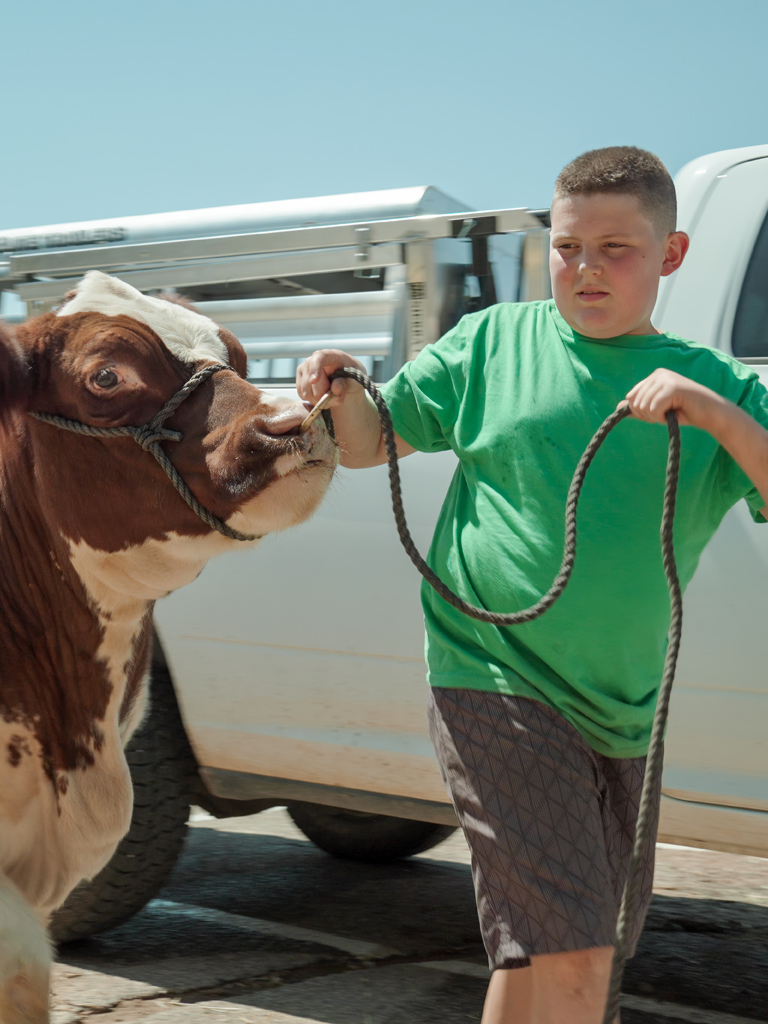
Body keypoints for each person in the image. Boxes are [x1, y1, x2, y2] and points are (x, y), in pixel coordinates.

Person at [296, 147, 768, 1024]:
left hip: (621, 712)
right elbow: (368, 443)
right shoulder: (490, 343)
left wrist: (714, 414)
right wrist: (337, 387)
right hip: (493, 681)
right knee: (571, 946)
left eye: (616, 249)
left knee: (572, 961)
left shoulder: (721, 387)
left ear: (671, 256)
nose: (585, 269)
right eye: (567, 246)